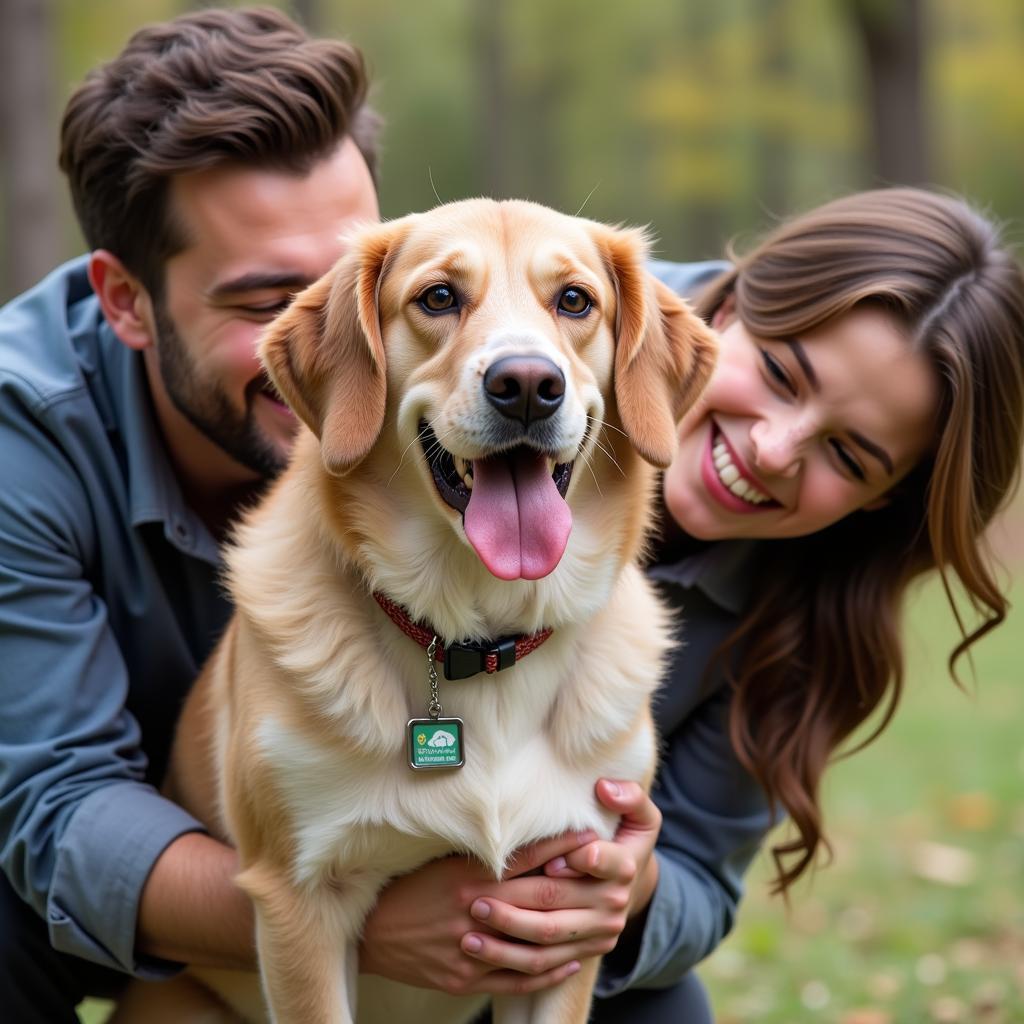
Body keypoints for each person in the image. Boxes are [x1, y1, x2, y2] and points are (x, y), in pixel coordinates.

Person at [1, 12, 1022, 1024]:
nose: (770, 449)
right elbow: (55, 809)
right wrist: (365, 916)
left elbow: (698, 883)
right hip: (192, 922)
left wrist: (612, 893)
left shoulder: (605, 342)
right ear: (737, 304)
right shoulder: (52, 422)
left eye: (849, 454)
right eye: (269, 293)